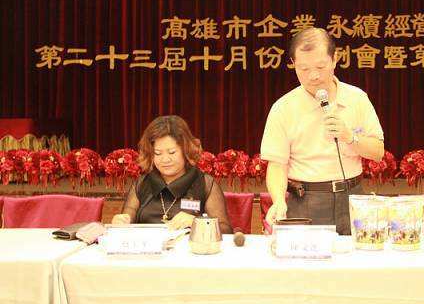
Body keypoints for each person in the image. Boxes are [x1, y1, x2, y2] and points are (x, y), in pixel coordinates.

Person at [260, 27, 384, 234]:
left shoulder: (357, 98)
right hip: (307, 200)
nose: (313, 76)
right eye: (304, 68)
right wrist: (279, 200)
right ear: (293, 64)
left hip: (353, 197)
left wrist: (350, 137)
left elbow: (377, 152)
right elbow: (277, 165)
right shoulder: (283, 108)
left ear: (335, 59)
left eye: (320, 66)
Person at [111, 115, 232, 233]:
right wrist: (121, 221)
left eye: (172, 152)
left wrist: (197, 222)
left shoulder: (204, 183)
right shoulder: (142, 183)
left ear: (186, 150)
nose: (165, 160)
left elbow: (226, 230)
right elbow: (127, 217)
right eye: (158, 153)